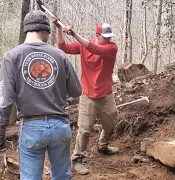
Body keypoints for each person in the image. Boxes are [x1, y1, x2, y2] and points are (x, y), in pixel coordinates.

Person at [0, 10, 82, 180]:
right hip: (60, 126)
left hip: (31, 127)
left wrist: (0, 131)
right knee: (63, 176)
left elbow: (3, 101)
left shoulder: (11, 57)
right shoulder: (59, 55)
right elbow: (76, 91)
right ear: (46, 31)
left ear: (27, 30)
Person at [53, 20, 119, 175]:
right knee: (84, 130)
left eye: (110, 37)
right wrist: (59, 29)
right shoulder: (85, 45)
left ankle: (103, 146)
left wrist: (75, 34)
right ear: (97, 35)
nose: (108, 39)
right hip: (88, 95)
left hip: (106, 94)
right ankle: (76, 158)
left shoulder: (111, 47)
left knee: (110, 123)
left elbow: (95, 49)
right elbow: (63, 48)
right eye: (105, 37)